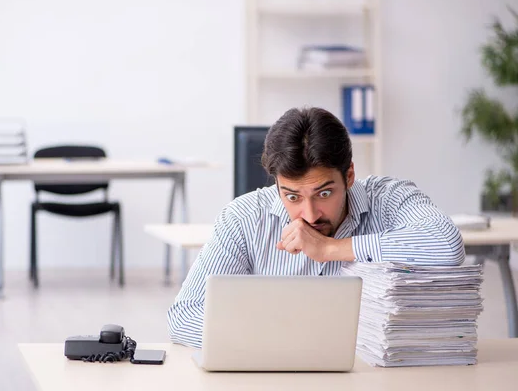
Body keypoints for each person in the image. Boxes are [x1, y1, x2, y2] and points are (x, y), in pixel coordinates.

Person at [167, 107, 465, 348]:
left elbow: (447, 245)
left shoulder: (388, 198)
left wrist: (332, 249)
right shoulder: (243, 218)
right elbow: (184, 315)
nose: (308, 215)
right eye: (293, 196)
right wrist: (286, 336)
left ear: (349, 175)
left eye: (323, 193)